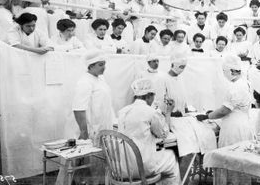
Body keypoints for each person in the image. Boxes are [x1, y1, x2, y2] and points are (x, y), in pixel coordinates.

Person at [58, 50, 114, 185]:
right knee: (82, 164)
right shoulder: (84, 82)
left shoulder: (100, 79)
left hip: (101, 127)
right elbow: (78, 108)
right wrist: (84, 131)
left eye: (104, 64)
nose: (104, 67)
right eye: (101, 64)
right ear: (91, 66)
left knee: (98, 163)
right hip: (89, 129)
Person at [117, 78, 180, 183]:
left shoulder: (122, 112)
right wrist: (168, 112)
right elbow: (164, 134)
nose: (153, 100)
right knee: (172, 157)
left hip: (123, 167)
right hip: (142, 167)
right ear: (148, 96)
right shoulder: (151, 112)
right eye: (153, 97)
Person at [196, 55, 254, 147]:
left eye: (224, 71)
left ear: (231, 71)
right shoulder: (246, 82)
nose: (224, 74)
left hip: (233, 127)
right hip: (244, 123)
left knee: (231, 154)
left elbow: (224, 111)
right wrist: (214, 112)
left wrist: (207, 116)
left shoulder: (235, 87)